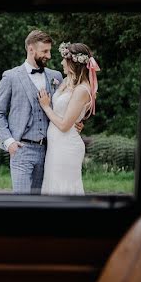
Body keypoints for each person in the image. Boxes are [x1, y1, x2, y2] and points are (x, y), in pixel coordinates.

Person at [0, 30, 83, 194]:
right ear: (31, 49)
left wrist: (75, 123)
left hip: (49, 151)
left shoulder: (56, 76)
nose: (49, 56)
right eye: (45, 51)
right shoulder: (11, 76)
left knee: (40, 202)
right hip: (21, 149)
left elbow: (68, 106)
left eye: (49, 51)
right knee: (21, 201)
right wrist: (9, 142)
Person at [37, 42, 100, 195]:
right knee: (52, 188)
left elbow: (65, 125)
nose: (61, 63)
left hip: (66, 148)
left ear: (73, 62)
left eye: (64, 59)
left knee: (63, 190)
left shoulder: (82, 89)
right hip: (55, 146)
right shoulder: (66, 81)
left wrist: (46, 106)